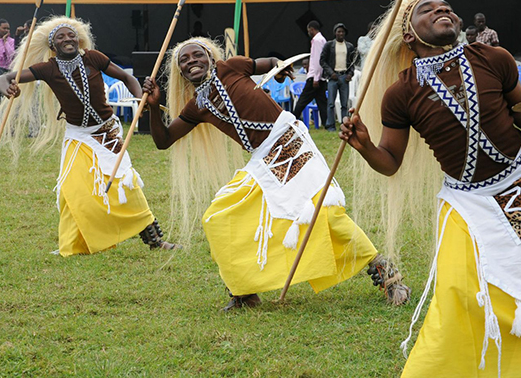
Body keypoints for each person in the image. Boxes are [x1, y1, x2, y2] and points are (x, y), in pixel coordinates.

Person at [340, 0, 521, 377]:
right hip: (466, 202)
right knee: (460, 291)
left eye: (445, 6)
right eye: (428, 9)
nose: (443, 9)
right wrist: (363, 145)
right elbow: (389, 163)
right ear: (408, 36)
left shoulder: (495, 58)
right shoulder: (401, 93)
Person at [143, 37, 411, 310]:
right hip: (262, 159)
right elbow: (163, 140)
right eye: (184, 61)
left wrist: (280, 68)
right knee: (218, 216)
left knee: (320, 211)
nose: (191, 62)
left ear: (211, 58)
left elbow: (269, 63)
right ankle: (245, 292)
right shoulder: (196, 107)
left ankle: (387, 275)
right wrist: (153, 106)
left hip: (290, 142)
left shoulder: (231, 67)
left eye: (196, 55)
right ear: (181, 74)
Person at [0, 15, 178, 256]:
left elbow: (127, 77)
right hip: (78, 136)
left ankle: (155, 240)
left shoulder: (92, 57)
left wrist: (138, 97)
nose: (68, 39)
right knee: (71, 189)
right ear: (53, 46)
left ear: (79, 40)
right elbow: (5, 77)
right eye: (61, 36)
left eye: (72, 35)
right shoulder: (48, 68)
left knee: (125, 183)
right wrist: (7, 88)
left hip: (107, 132)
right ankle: (75, 245)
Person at [320, 23, 356, 132]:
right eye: (338, 31)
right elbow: (322, 61)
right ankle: (330, 125)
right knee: (331, 103)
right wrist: (331, 73)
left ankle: (344, 125)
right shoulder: (329, 45)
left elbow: (353, 62)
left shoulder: (349, 46)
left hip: (344, 77)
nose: (340, 33)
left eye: (342, 32)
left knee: (344, 104)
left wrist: (350, 74)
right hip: (333, 77)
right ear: (335, 33)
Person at [292, 20, 328, 126]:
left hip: (314, 77)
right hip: (320, 77)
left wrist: (316, 78)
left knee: (302, 100)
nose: (308, 33)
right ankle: (327, 123)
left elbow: (317, 60)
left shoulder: (317, 41)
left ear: (312, 29)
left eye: (309, 30)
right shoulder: (322, 39)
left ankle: (292, 119)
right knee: (322, 102)